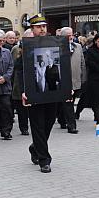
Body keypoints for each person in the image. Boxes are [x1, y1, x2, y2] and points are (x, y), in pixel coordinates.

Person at [23, 14, 61, 173]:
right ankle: (44, 160)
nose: (42, 29)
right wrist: (23, 92)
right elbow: (20, 71)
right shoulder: (25, 46)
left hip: (52, 93)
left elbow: (61, 67)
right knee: (38, 126)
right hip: (34, 94)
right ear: (32, 29)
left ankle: (35, 148)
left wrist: (67, 87)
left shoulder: (55, 43)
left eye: (44, 26)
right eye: (38, 27)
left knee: (49, 124)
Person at [57, 26, 85, 134]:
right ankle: (71, 125)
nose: (70, 37)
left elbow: (82, 63)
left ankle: (61, 119)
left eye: (71, 35)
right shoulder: (58, 47)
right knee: (68, 103)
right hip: (63, 80)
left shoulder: (78, 46)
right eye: (68, 35)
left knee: (65, 102)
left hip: (75, 79)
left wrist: (83, 78)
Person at [10, 30, 32, 136]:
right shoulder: (16, 49)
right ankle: (24, 128)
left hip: (32, 82)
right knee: (22, 107)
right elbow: (14, 67)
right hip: (19, 83)